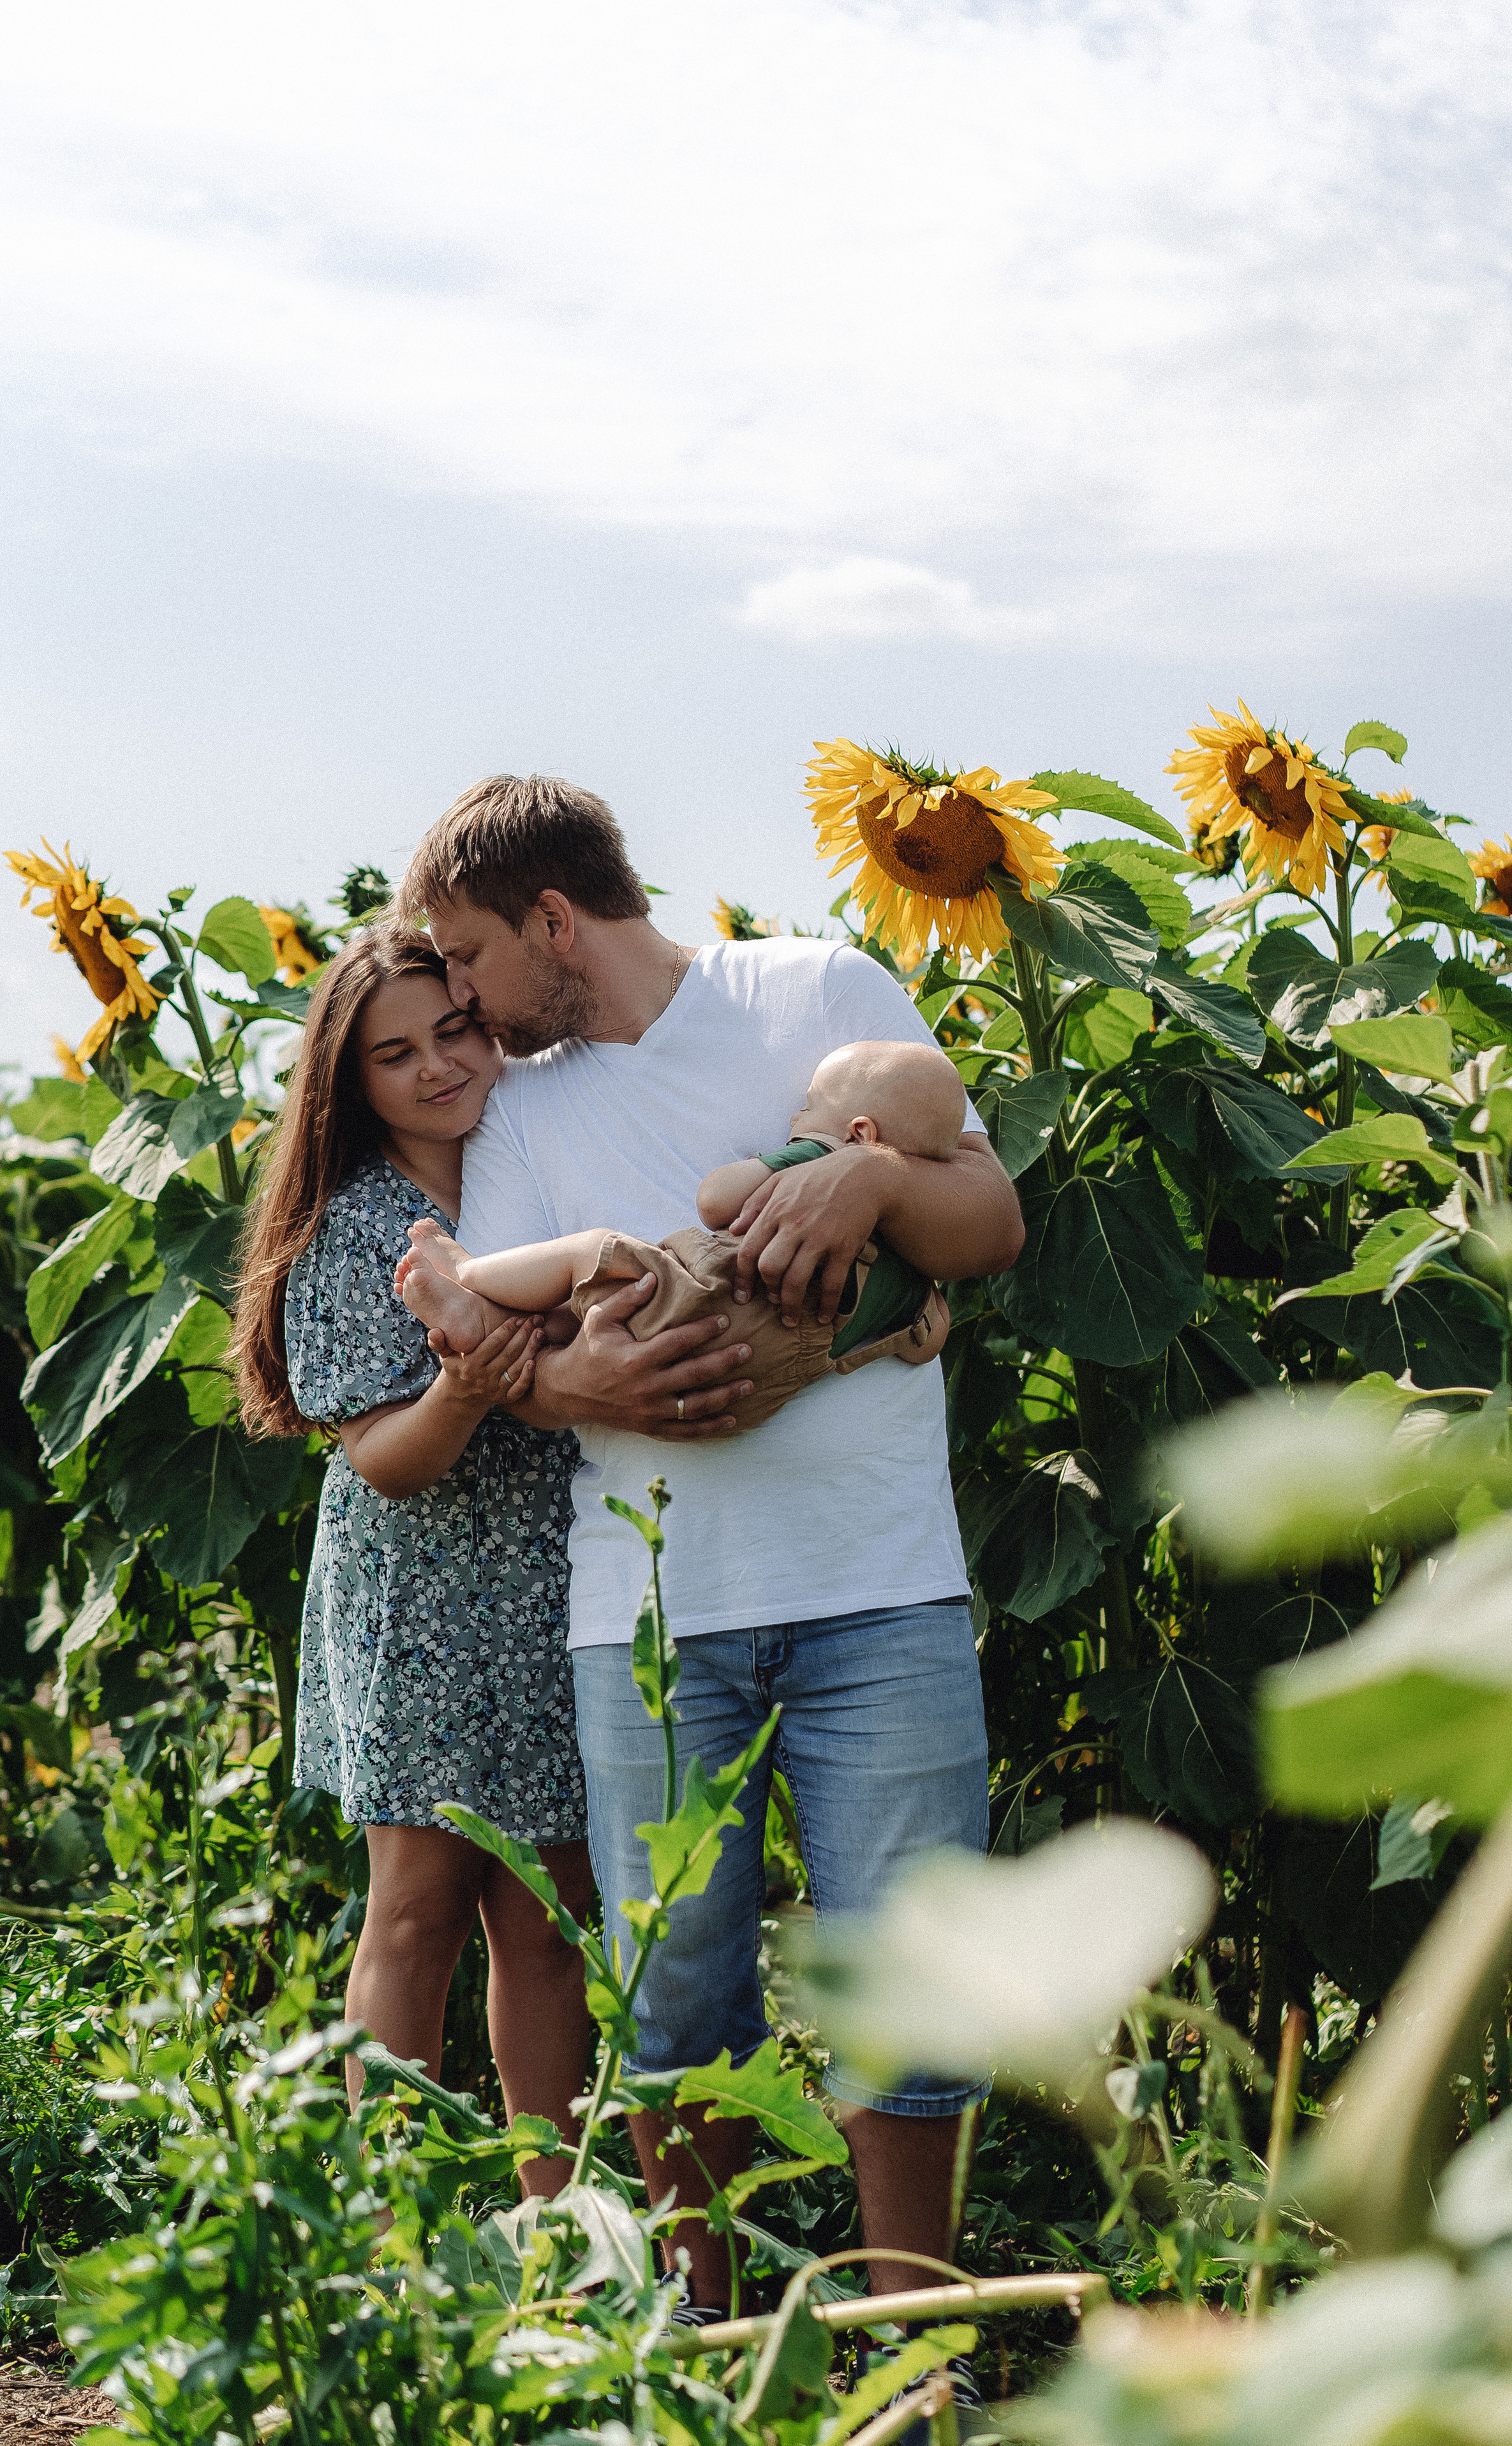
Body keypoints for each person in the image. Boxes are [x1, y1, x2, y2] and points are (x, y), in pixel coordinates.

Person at [391, 772, 1025, 2308]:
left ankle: (909, 2343)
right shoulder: (524, 1106)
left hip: (879, 1580)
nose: (460, 997)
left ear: (552, 918)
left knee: (906, 1980)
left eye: (468, 955)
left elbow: (990, 1225)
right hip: (650, 1606)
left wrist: (871, 1172)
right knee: (674, 1994)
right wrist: (580, 1384)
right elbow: (501, 1340)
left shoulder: (816, 990)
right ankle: (712, 2330)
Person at [230, 927, 594, 2195]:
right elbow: (381, 1457)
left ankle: (555, 2221)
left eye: (455, 1029)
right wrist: (465, 1388)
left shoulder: (531, 1174)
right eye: (396, 1052)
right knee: (419, 1903)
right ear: (352, 1080)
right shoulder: (357, 1223)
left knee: (548, 1914)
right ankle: (398, 2231)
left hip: (552, 1582)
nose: (438, 1065)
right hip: (419, 1589)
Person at [392, 1036, 963, 1435]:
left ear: (860, 1133)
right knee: (585, 1312)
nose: (795, 1117)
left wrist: (772, 1162)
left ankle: (469, 1277)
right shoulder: (909, 1263)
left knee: (593, 1256)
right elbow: (926, 1340)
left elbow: (715, 1200)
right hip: (750, 1389)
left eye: (810, 1107)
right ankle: (486, 1321)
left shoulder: (825, 1160)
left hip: (714, 1301)